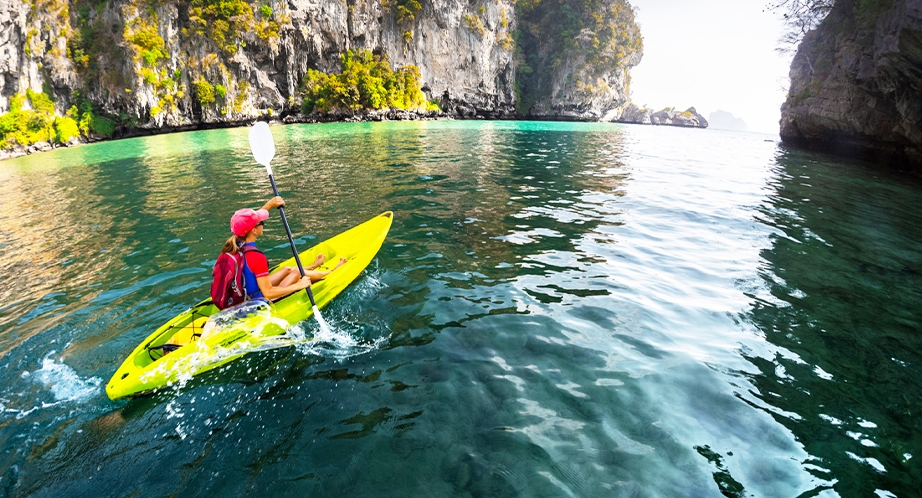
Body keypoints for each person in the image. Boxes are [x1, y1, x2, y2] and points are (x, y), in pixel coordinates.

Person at [223, 196, 346, 301]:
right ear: (254, 231)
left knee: (287, 269)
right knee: (296, 273)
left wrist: (270, 204)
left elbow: (247, 223)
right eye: (261, 222)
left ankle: (313, 267)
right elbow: (268, 293)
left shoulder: (233, 245)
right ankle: (331, 273)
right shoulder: (256, 257)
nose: (262, 222)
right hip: (256, 301)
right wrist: (298, 286)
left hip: (246, 293)